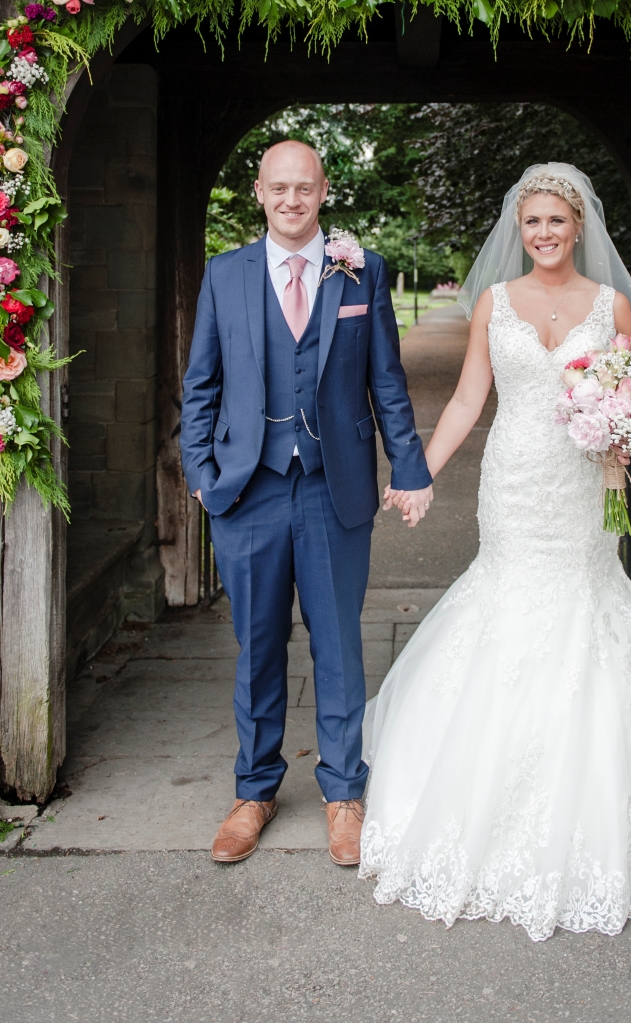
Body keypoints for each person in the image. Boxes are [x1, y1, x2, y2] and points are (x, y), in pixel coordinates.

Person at [362, 163, 631, 941]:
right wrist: (417, 470)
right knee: (505, 598)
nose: (542, 234)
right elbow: (469, 395)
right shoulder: (495, 303)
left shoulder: (613, 307)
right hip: (515, 481)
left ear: (579, 226)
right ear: (518, 228)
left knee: (586, 605)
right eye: (530, 222)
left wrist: (618, 443)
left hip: (582, 487)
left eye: (555, 222)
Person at [180, 140, 432, 868]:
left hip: (334, 483)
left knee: (339, 644)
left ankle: (343, 792)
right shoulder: (225, 275)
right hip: (246, 487)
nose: (292, 200)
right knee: (257, 643)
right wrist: (200, 470)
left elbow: (386, 380)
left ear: (324, 192)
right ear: (258, 191)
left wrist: (410, 468)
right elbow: (201, 383)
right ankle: (254, 790)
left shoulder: (362, 269)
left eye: (305, 187)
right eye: (279, 187)